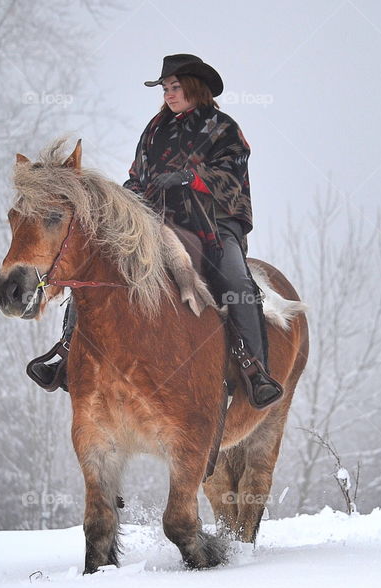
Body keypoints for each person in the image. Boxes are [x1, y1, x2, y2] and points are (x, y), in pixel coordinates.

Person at [29, 53, 283, 409]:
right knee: (93, 260)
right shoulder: (155, 129)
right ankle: (66, 351)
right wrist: (125, 197)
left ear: (194, 87)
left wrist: (189, 178)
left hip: (212, 225)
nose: (167, 94)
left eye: (174, 87)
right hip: (157, 223)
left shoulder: (224, 128)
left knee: (237, 281)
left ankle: (254, 368)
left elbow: (231, 175)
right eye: (164, 88)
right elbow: (138, 175)